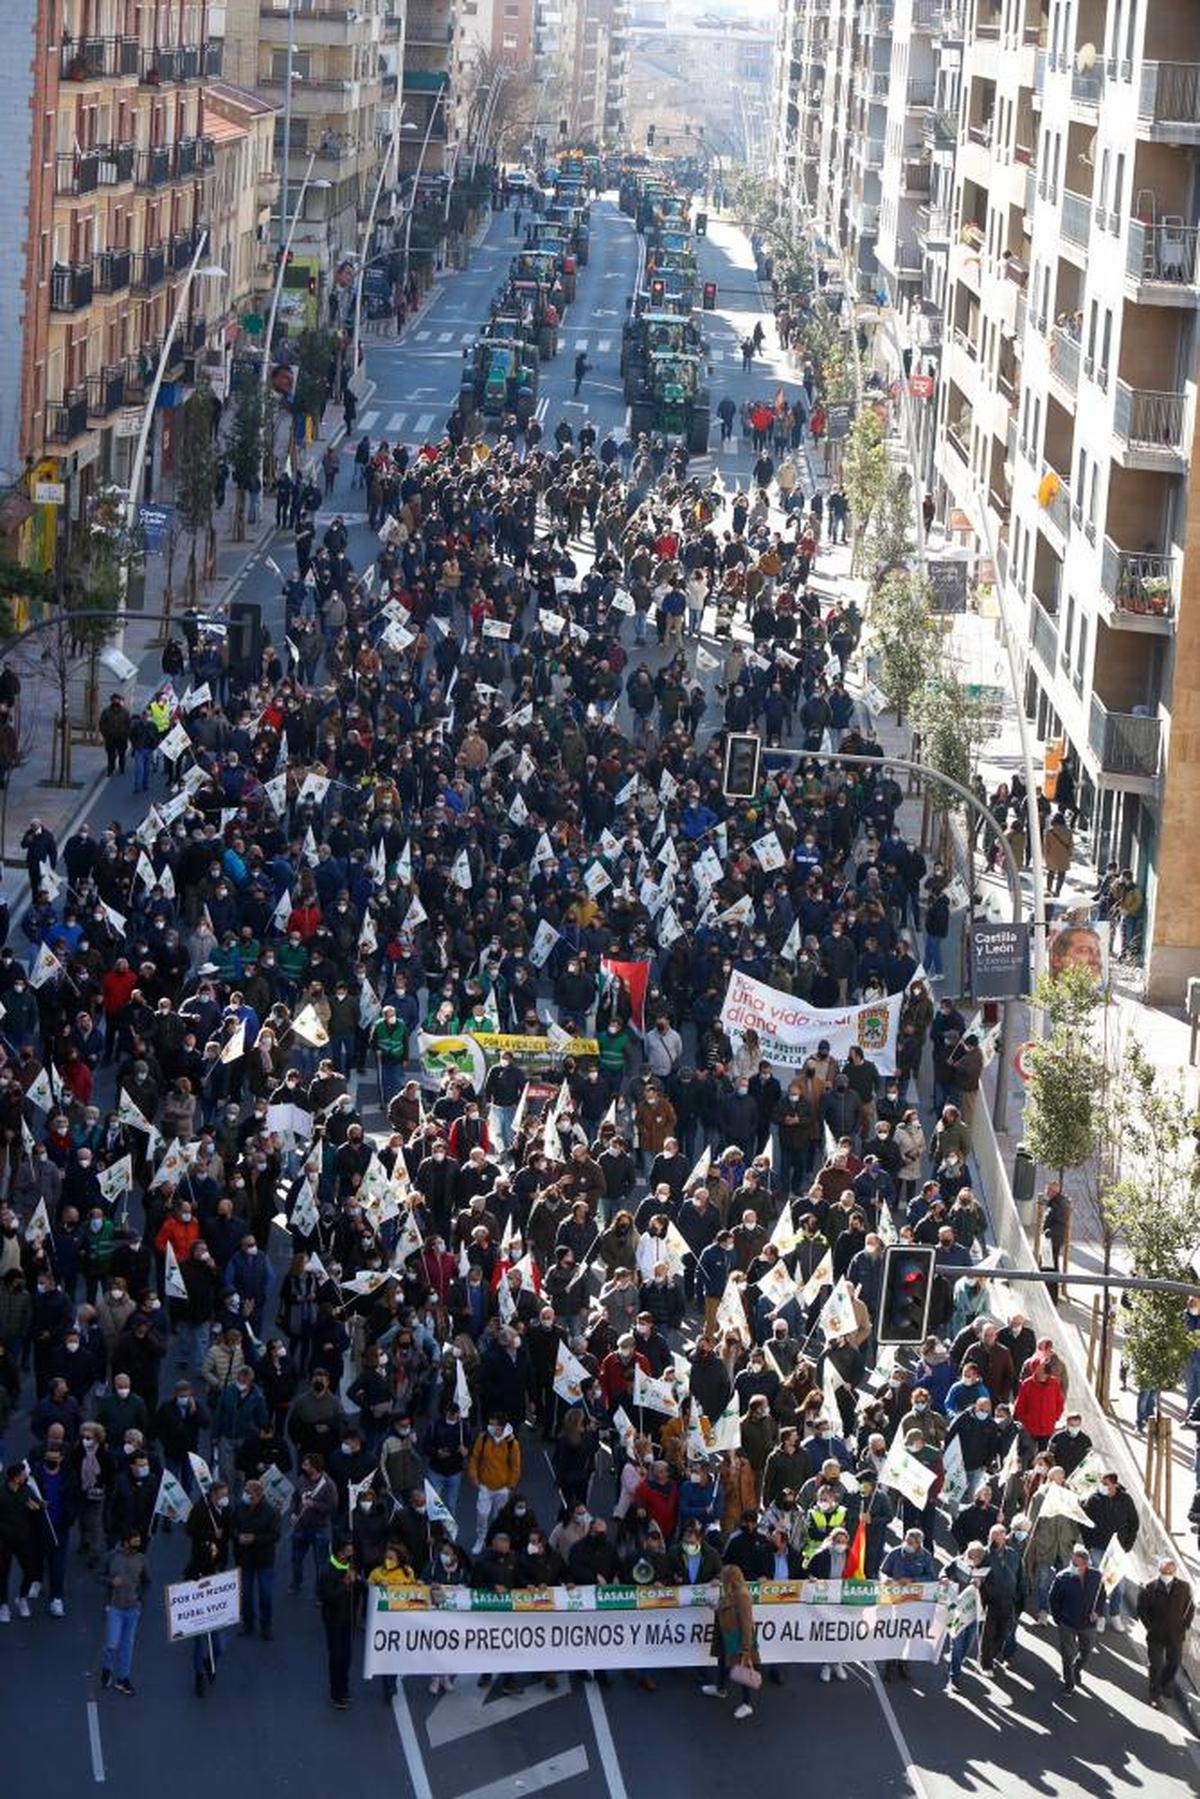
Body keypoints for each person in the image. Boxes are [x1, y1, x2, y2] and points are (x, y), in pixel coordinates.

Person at [700, 1563, 761, 1720]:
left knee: (743, 1668)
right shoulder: (731, 1592)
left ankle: (747, 1704)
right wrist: (715, 1607)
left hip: (737, 1637)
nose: (721, 1580)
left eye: (724, 1577)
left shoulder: (742, 1595)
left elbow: (747, 1623)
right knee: (722, 1660)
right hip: (726, 1635)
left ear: (731, 1578)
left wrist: (746, 1649)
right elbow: (725, 1607)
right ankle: (720, 1688)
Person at [1136, 1556, 1194, 1709]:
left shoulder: (1184, 1587)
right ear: (1159, 1570)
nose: (1168, 1573)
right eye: (1165, 1571)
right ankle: (1154, 1694)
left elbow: (1190, 1607)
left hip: (1176, 1635)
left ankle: (1165, 1682)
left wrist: (1185, 1625)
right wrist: (1149, 1626)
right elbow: (1141, 1610)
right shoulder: (1149, 1588)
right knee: (1156, 1665)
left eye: (1171, 1571)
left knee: (1174, 1663)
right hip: (1156, 1635)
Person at [100, 1527, 149, 1696]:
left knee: (127, 1645)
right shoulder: (111, 1557)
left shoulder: (142, 1559)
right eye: (134, 1543)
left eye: (138, 1543)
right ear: (125, 1542)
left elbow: (146, 1581)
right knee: (112, 1643)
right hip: (115, 1607)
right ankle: (107, 1667)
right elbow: (99, 1576)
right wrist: (111, 1582)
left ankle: (123, 1678)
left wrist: (141, 1598)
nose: (136, 1547)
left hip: (133, 1608)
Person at [1048, 1545, 1102, 1693]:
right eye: (1072, 1563)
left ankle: (1076, 1669)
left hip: (1088, 1624)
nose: (1073, 1567)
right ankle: (1069, 1682)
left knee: (1086, 1653)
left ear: (1086, 1564)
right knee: (1067, 1654)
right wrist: (1058, 1619)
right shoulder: (1062, 1577)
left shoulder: (1097, 1576)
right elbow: (1053, 1599)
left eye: (1076, 1564)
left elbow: (1102, 1595)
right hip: (1067, 1623)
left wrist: (1098, 1611)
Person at [318, 1538, 358, 1709]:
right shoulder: (328, 1569)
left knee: (347, 1656)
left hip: (348, 1618)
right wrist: (345, 1584)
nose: (352, 1551)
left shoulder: (349, 1565)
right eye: (349, 1548)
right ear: (341, 1551)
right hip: (334, 1619)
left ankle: (344, 1688)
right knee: (337, 1657)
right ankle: (336, 1694)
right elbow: (327, 1596)